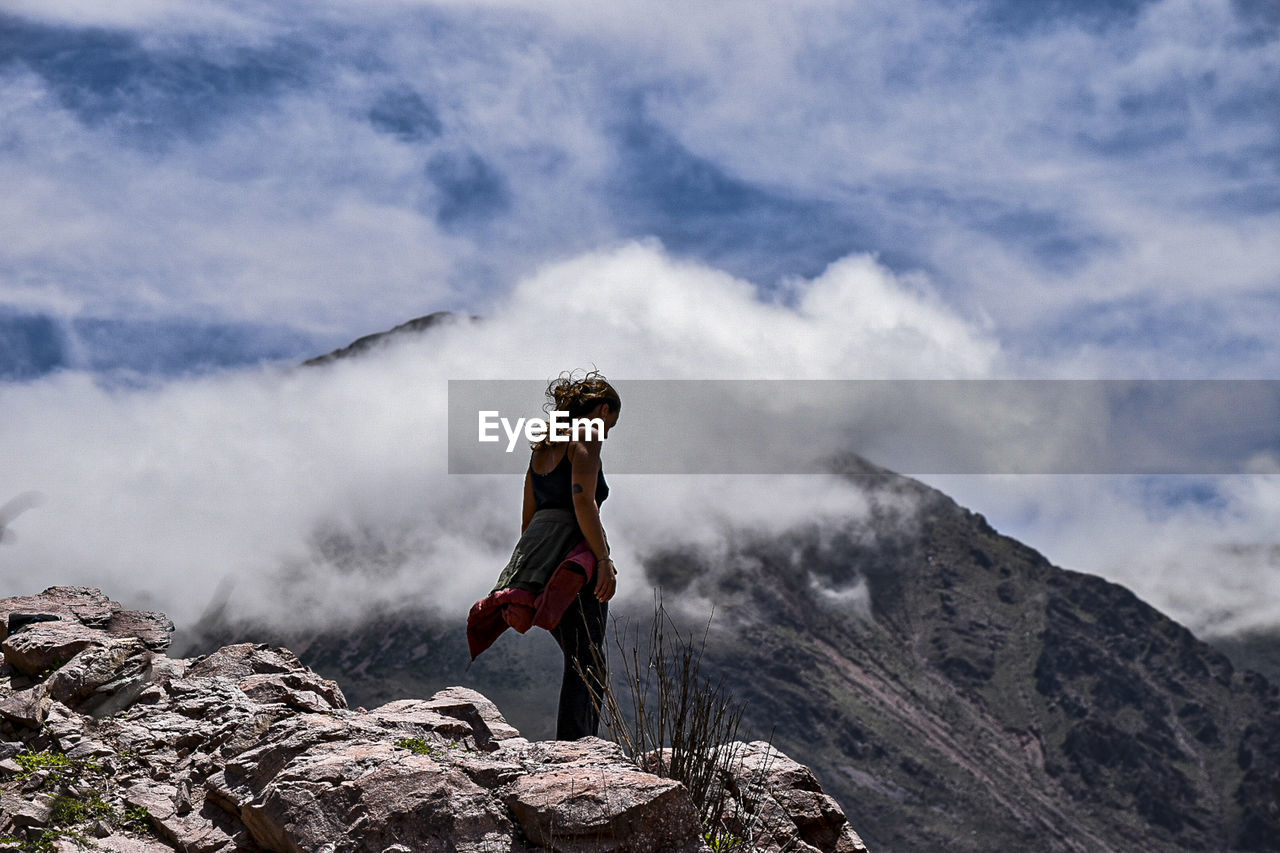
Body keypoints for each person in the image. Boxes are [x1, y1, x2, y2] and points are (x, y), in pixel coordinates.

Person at [468, 370, 620, 740]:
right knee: (589, 657)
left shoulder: (541, 450)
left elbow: (529, 515)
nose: (608, 431)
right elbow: (583, 500)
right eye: (611, 423)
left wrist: (534, 569)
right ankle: (579, 746)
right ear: (602, 410)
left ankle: (576, 741)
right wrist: (602, 561)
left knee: (577, 653)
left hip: (538, 555)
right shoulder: (586, 437)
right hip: (573, 556)